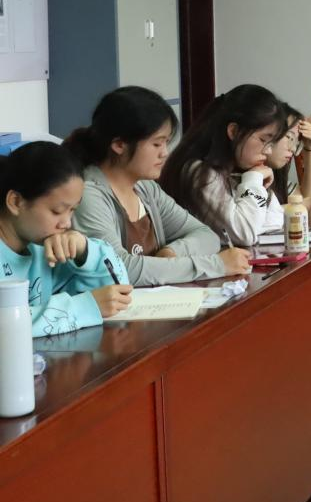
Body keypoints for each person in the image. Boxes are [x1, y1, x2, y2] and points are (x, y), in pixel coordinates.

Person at [66, 87, 252, 285]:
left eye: (166, 143)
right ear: (119, 145)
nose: (164, 153)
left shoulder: (146, 188)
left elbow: (206, 236)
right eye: (156, 144)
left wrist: (172, 252)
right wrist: (217, 265)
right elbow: (120, 269)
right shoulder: (89, 195)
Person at [0, 142, 133, 336]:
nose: (66, 223)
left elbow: (118, 291)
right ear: (16, 202)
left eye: (72, 210)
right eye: (57, 211)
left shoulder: (43, 249)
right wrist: (85, 307)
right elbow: (6, 326)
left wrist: (84, 251)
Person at [160, 84, 288, 247]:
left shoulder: (243, 170)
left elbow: (276, 221)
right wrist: (253, 180)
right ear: (233, 131)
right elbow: (245, 234)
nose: (268, 151)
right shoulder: (200, 172)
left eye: (272, 143)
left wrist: (255, 183)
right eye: (263, 140)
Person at [266, 105, 311, 225]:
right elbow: (260, 220)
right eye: (289, 137)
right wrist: (310, 203)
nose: (293, 148)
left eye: (296, 142)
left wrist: (310, 148)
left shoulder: (276, 176)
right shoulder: (249, 178)